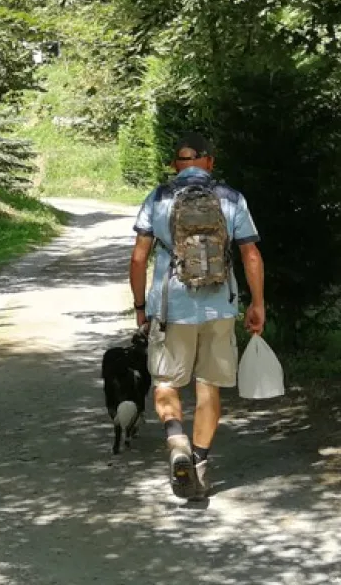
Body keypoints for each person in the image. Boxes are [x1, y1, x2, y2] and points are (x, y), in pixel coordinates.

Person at [129, 131, 265, 500]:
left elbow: (139, 257)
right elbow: (251, 254)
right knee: (209, 386)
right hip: (220, 307)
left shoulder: (158, 198)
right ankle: (200, 463)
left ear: (176, 164)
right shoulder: (232, 198)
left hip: (170, 308)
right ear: (210, 162)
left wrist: (140, 307)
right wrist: (257, 303)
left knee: (166, 382)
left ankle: (178, 444)